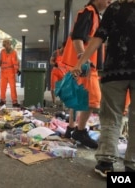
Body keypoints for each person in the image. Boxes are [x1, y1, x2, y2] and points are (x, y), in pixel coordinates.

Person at [71, 0, 135, 177]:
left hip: (114, 71)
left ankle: (106, 162)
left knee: (111, 116)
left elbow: (98, 37)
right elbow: (86, 37)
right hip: (113, 72)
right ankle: (131, 166)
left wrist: (80, 62)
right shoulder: (91, 11)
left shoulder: (114, 8)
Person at [61, 0, 112, 149]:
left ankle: (72, 127)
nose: (110, 1)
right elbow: (77, 37)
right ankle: (80, 130)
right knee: (93, 99)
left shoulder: (94, 14)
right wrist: (82, 59)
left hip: (87, 65)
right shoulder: (88, 12)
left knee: (80, 98)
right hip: (87, 66)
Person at [0, 39, 21, 107]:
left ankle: (14, 101)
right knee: (2, 87)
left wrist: (19, 69)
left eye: (6, 45)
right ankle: (2, 100)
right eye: (4, 46)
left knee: (13, 88)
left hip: (11, 72)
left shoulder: (14, 52)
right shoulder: (2, 52)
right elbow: (0, 60)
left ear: (9, 44)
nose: (5, 47)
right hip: (3, 72)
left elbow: (17, 61)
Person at [50, 41, 67, 108]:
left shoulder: (67, 54)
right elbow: (51, 61)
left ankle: (62, 102)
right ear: (63, 46)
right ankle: (54, 102)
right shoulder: (55, 53)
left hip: (63, 73)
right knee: (53, 88)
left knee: (63, 89)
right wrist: (54, 64)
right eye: (65, 48)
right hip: (55, 72)